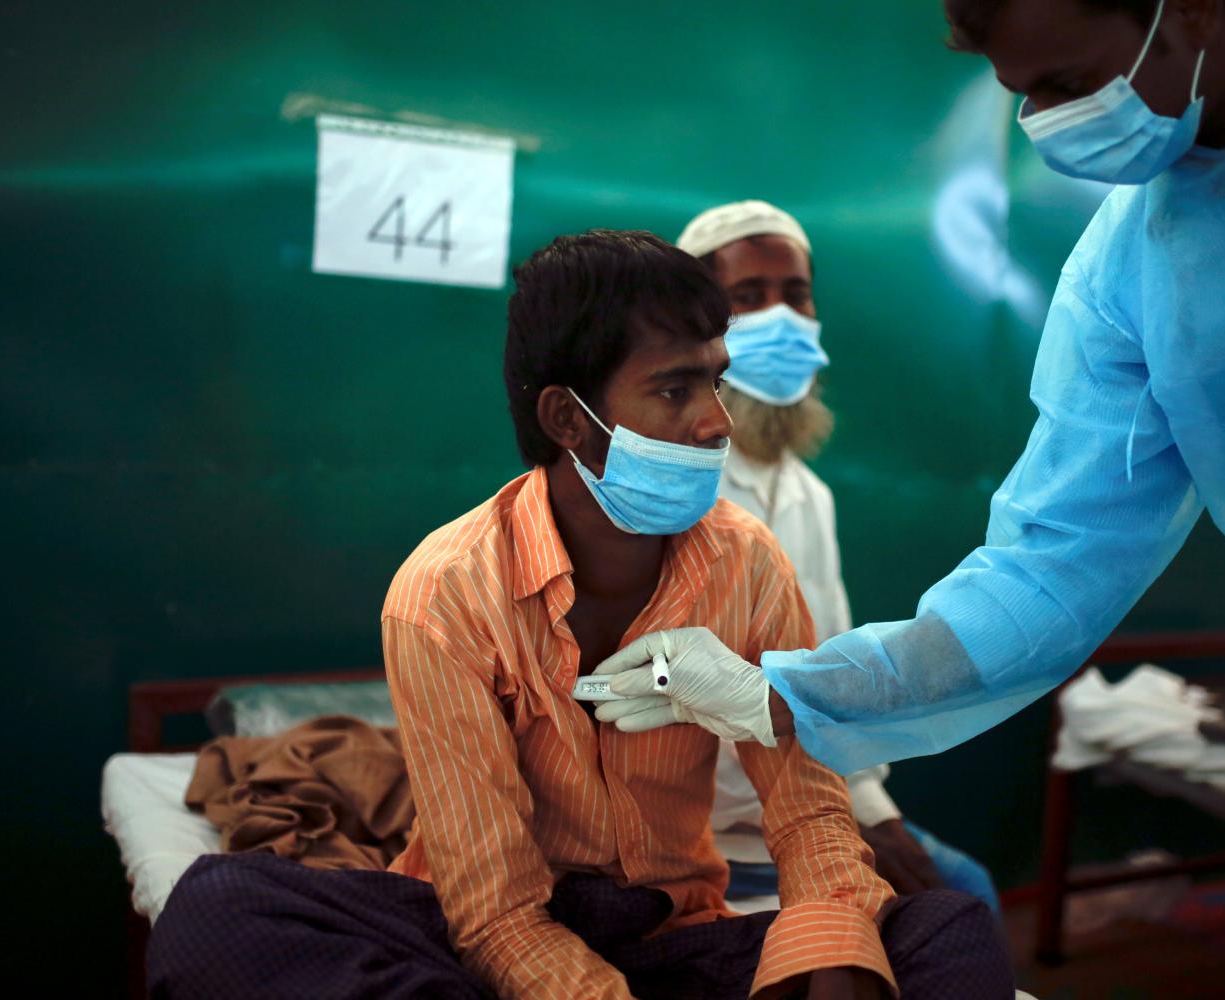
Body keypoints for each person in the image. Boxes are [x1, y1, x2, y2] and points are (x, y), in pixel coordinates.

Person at [592, 1, 1225, 995]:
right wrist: (783, 696)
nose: (1043, 126)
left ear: (1189, 9)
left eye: (1061, 85)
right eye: (1019, 97)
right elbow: (1045, 573)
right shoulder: (1125, 267)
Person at [148, 230, 1010, 1000]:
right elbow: (493, 915)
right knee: (222, 909)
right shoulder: (444, 595)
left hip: (666, 935)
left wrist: (835, 947)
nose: (718, 423)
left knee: (946, 929)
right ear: (570, 418)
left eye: (717, 381)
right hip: (481, 944)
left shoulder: (747, 562)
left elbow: (808, 810)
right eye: (676, 391)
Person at [677, 199, 1000, 909]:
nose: (780, 318)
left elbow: (833, 661)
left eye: (795, 295)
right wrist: (824, 822)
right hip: (711, 834)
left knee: (967, 890)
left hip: (811, 804)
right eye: (747, 298)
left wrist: (872, 810)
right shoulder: (671, 487)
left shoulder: (807, 494)